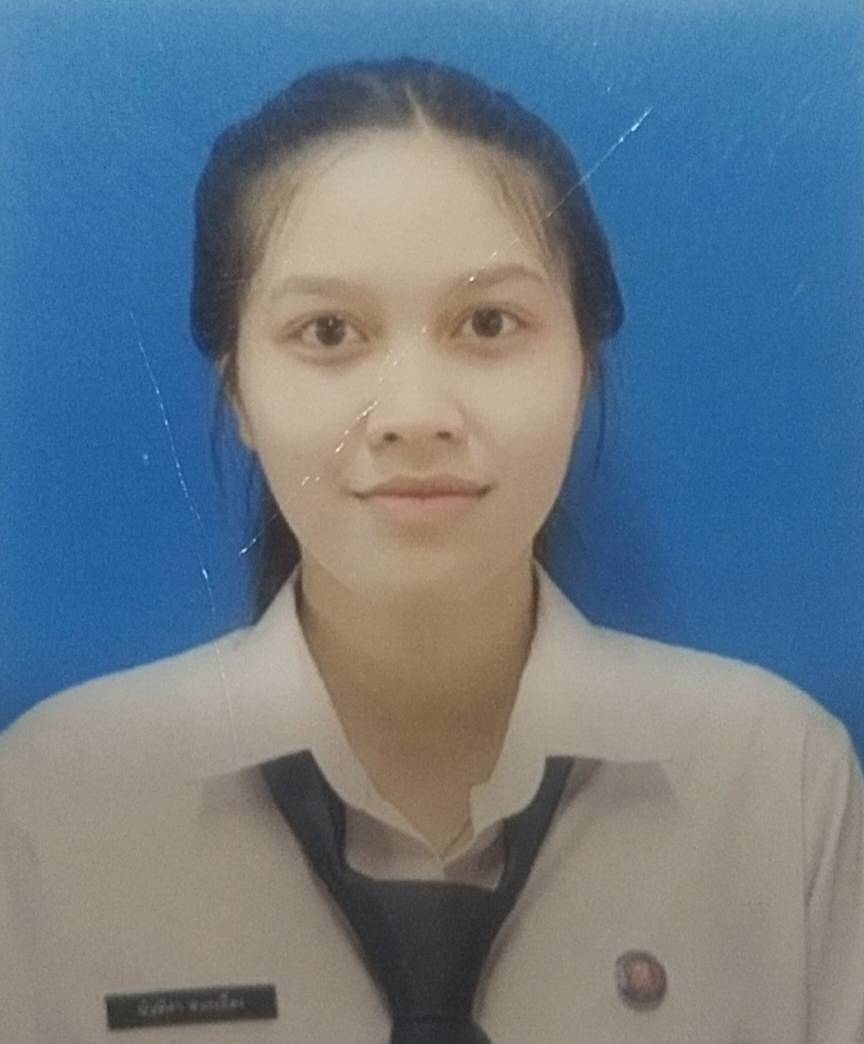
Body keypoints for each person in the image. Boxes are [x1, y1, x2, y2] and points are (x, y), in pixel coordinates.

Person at [1, 56, 862, 1043]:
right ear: (237, 389)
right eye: (329, 331)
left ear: (582, 366)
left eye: (488, 323)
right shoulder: (57, 801)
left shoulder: (775, 783)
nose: (414, 415)